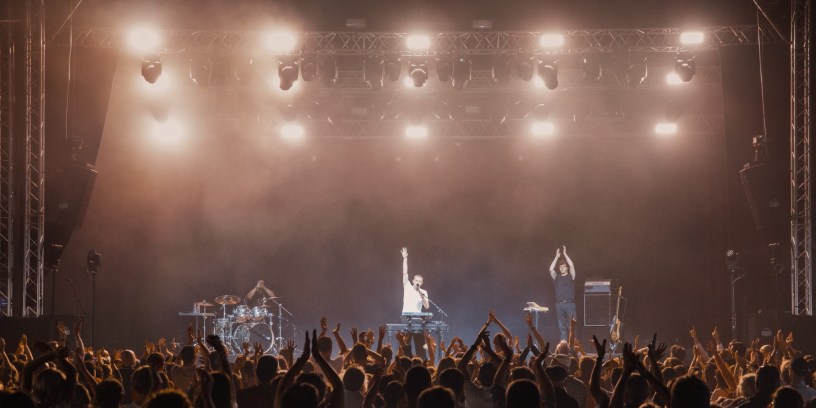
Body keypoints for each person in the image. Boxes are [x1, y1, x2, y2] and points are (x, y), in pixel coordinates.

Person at [549, 245, 576, 341]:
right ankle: (563, 348)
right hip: (559, 305)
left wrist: (565, 254)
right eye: (560, 266)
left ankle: (572, 348)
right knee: (562, 328)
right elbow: (551, 269)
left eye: (564, 266)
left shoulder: (571, 276)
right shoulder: (557, 277)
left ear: (567, 268)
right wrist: (556, 257)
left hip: (570, 305)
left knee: (571, 327)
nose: (562, 268)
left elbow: (572, 265)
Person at [401, 247, 429, 313]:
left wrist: (423, 298)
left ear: (422, 283)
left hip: (418, 317)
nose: (418, 282)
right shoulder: (407, 286)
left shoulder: (424, 292)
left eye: (419, 281)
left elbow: (427, 307)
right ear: (413, 281)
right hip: (406, 315)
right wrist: (405, 258)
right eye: (416, 280)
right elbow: (405, 273)